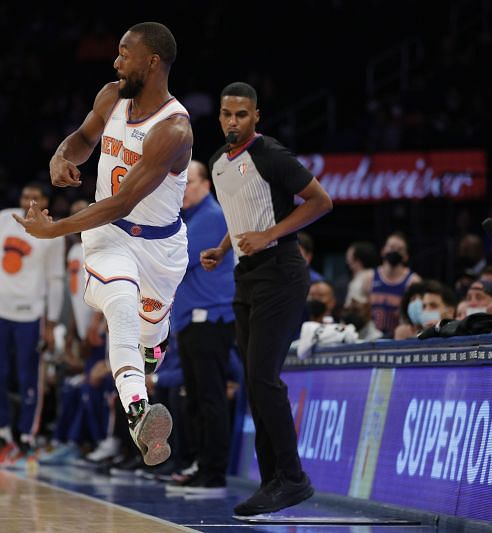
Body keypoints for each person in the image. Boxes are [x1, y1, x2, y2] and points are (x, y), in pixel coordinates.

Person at [12, 22, 192, 467]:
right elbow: (83, 139)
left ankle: (150, 356)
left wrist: (56, 230)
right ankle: (137, 413)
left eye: (124, 53)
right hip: (110, 238)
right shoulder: (111, 96)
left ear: (151, 62)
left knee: (150, 333)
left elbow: (125, 200)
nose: (116, 61)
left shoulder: (174, 130)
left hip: (161, 250)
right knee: (121, 308)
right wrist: (61, 155)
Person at [200, 81, 332, 515]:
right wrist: (223, 248)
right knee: (256, 384)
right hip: (246, 277)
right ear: (218, 116)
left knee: (262, 378)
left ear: (256, 116)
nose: (233, 122)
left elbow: (320, 201)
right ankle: (272, 480)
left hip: (281, 272)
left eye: (241, 115)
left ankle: (292, 478)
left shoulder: (270, 154)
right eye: (226, 114)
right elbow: (241, 213)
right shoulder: (218, 163)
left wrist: (269, 235)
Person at [0, 182, 65, 467]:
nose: (29, 201)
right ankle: (2, 433)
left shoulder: (53, 231)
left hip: (31, 313)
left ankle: (27, 436)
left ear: (44, 201)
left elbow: (55, 280)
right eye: (25, 195)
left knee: (29, 378)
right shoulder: (3, 219)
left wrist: (50, 324)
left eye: (35, 197)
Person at [166, 159, 235, 495]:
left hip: (211, 319)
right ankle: (201, 466)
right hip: (192, 321)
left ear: (206, 184)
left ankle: (214, 473)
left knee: (209, 399)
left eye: (188, 180)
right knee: (195, 399)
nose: (182, 187)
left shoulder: (211, 217)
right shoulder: (190, 219)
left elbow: (173, 263)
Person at [364, 232, 422, 337]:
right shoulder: (369, 277)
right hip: (371, 337)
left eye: (399, 249)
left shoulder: (413, 281)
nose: (394, 251)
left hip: (398, 338)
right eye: (391, 247)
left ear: (406, 256)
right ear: (383, 251)